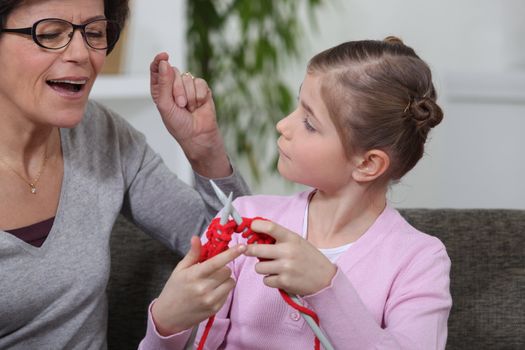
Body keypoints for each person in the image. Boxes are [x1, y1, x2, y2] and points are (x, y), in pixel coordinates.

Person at [140, 37, 452, 350]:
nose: (282, 125)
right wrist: (166, 324)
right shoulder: (245, 219)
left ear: (368, 163)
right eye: (296, 106)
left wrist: (325, 287)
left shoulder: (419, 260)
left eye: (309, 123)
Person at [0, 1, 249, 349]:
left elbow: (235, 247)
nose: (81, 53)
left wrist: (204, 150)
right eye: (51, 34)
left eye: (95, 33)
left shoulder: (102, 134)